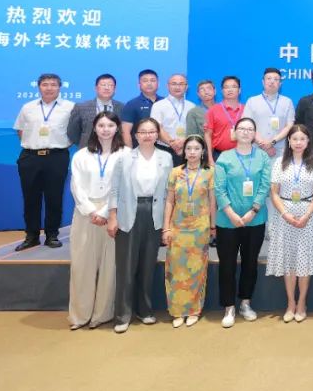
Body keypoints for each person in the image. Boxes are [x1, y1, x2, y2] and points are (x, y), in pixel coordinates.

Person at [108, 116, 173, 333]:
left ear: (157, 135)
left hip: (154, 214)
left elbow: (169, 192)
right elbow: (114, 189)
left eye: (151, 131)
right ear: (135, 135)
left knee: (147, 266)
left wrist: (167, 222)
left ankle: (144, 310)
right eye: (143, 132)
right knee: (126, 266)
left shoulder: (166, 157)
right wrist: (113, 216)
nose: (147, 135)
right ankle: (123, 315)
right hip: (129, 213)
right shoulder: (124, 158)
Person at [66, 111, 124, 330]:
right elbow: (76, 186)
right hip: (86, 214)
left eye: (110, 125)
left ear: (117, 128)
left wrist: (106, 211)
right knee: (82, 266)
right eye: (101, 125)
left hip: (114, 213)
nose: (105, 130)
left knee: (110, 266)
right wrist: (92, 211)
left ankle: (102, 314)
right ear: (94, 128)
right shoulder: (81, 155)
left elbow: (124, 186)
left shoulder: (126, 154)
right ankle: (80, 315)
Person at [214, 117, 272, 328]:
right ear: (235, 132)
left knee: (250, 263)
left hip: (255, 219)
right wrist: (230, 213)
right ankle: (229, 306)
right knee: (227, 265)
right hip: (227, 221)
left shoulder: (263, 157)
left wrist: (253, 210)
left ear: (255, 134)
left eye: (250, 129)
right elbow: (219, 189)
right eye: (242, 128)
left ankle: (245, 303)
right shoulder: (224, 157)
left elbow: (265, 185)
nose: (246, 132)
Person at [266, 124, 313, 322]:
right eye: (295, 139)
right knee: (289, 260)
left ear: (308, 142)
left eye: (302, 139)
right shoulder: (279, 163)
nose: (298, 143)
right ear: (288, 141)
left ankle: (301, 303)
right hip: (284, 216)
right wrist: (285, 214)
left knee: (304, 261)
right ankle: (291, 303)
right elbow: (274, 193)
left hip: (308, 216)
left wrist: (306, 215)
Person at [13, 73, 74, 250]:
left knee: (54, 197)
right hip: (30, 157)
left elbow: (75, 131)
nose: (49, 88)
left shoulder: (70, 107)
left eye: (53, 84)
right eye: (45, 84)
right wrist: (35, 144)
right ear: (38, 87)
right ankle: (31, 236)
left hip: (56, 157)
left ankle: (52, 235)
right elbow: (20, 130)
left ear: (60, 87)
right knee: (30, 198)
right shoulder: (28, 107)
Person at [162, 135, 216, 328]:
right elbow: (169, 201)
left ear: (203, 152)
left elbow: (212, 202)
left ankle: (193, 310)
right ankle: (177, 311)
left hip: (199, 228)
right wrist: (166, 227)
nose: (192, 152)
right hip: (177, 227)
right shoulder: (175, 172)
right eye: (189, 149)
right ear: (183, 152)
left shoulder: (209, 173)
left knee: (196, 270)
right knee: (176, 269)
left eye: (196, 149)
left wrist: (213, 226)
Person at [244, 67, 295, 159]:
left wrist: (272, 142)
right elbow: (247, 125)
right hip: (256, 149)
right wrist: (263, 144)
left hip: (280, 151)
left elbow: (289, 126)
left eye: (276, 79)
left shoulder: (287, 102)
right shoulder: (252, 101)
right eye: (269, 78)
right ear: (263, 82)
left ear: (280, 84)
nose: (272, 82)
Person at [67, 73, 125, 149]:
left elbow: (124, 131)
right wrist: (85, 143)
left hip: (114, 149)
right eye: (103, 85)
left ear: (115, 89)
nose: (107, 88)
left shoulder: (122, 107)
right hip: (88, 150)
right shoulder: (81, 107)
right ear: (96, 88)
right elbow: (72, 132)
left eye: (110, 85)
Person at [150, 73, 194, 166]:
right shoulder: (158, 105)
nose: (177, 87)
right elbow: (157, 127)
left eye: (181, 84)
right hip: (164, 149)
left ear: (186, 87)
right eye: (174, 84)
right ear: (167, 86)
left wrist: (184, 142)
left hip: (187, 150)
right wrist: (172, 143)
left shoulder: (192, 106)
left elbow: (194, 129)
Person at [204, 76, 245, 162]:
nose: (230, 90)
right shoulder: (213, 110)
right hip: (219, 155)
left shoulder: (246, 109)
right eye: (226, 87)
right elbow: (207, 135)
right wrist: (210, 158)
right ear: (222, 91)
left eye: (234, 86)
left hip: (243, 154)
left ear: (239, 90)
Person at [121, 69, 161, 147]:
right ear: (139, 85)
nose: (149, 83)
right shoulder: (131, 104)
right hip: (139, 149)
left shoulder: (165, 102)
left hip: (163, 149)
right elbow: (125, 132)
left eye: (152, 80)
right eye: (145, 81)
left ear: (158, 84)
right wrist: (129, 152)